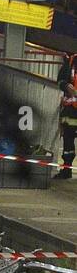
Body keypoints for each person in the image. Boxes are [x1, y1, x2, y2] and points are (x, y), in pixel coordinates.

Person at [57, 52, 77, 180]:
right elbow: (60, 81)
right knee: (68, 140)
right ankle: (67, 168)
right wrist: (65, 85)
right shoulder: (71, 62)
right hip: (71, 110)